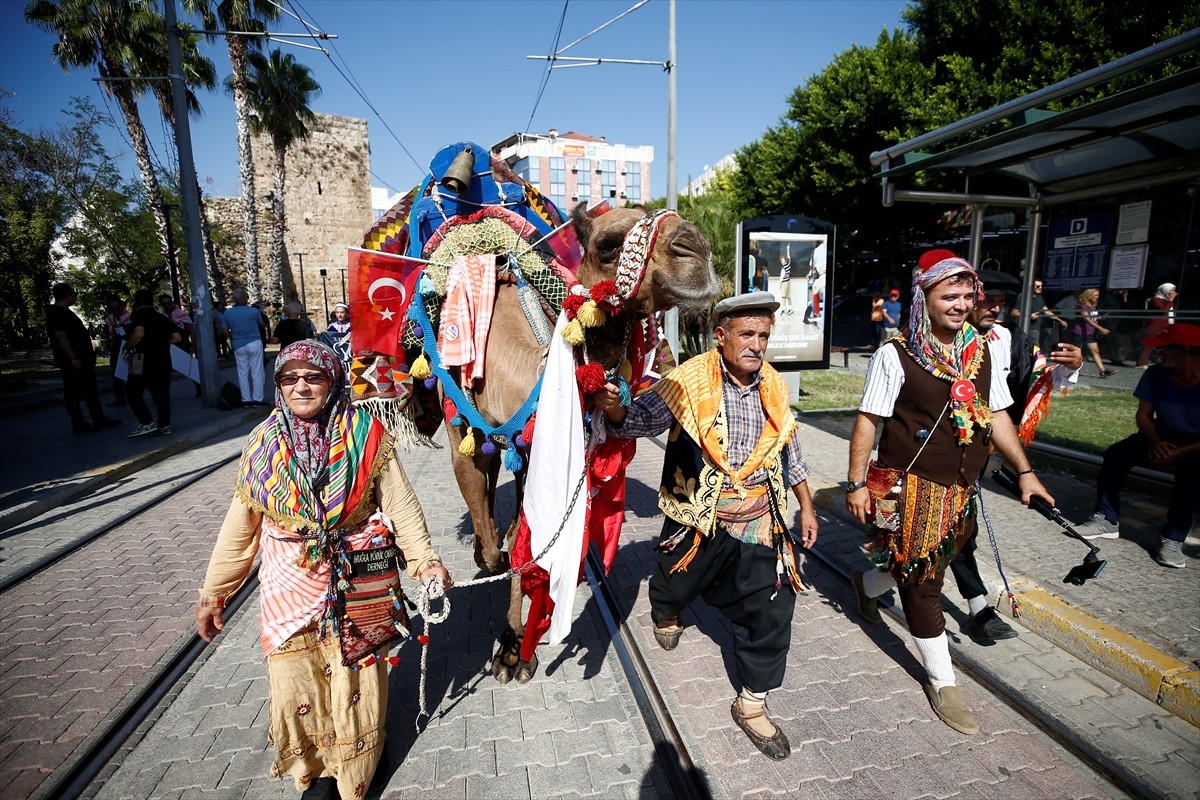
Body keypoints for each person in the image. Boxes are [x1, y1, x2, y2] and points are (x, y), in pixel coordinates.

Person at [196, 340, 452, 800]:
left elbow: (399, 503)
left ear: (332, 381)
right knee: (296, 676)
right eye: (289, 378)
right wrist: (214, 592)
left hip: (359, 573)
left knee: (355, 672)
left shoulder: (367, 434)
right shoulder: (261, 444)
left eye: (313, 376)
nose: (301, 386)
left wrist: (424, 559)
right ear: (278, 386)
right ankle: (314, 768)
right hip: (287, 582)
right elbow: (240, 526)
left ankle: (356, 767)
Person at [593, 291, 819, 760]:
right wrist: (614, 407)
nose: (757, 345)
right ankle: (667, 610)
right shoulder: (689, 380)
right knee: (676, 583)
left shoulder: (774, 386)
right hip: (697, 518)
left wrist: (807, 505)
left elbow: (789, 450)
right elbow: (636, 421)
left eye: (764, 335)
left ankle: (752, 702)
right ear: (721, 336)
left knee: (773, 608)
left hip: (760, 520)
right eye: (747, 334)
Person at [845, 250, 1053, 736]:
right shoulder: (894, 353)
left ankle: (869, 585)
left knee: (951, 548)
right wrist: (856, 483)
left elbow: (998, 414)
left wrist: (1025, 471)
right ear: (925, 298)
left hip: (962, 484)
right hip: (911, 485)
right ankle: (942, 681)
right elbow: (868, 421)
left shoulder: (983, 350)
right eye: (949, 295)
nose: (960, 304)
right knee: (924, 580)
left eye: (966, 295)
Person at [951, 269, 1082, 642]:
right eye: (988, 300)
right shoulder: (941, 341)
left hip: (980, 450)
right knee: (954, 531)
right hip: (937, 449)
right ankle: (977, 606)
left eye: (1002, 303)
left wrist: (1070, 367)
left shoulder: (1008, 338)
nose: (995, 308)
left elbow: (1036, 377)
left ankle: (874, 582)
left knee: (956, 529)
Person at [1074, 323, 1199, 569]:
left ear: (1184, 351)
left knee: (1194, 471)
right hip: (1160, 434)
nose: (1158, 353)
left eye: (1163, 348)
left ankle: (1173, 537)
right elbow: (1144, 415)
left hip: (1195, 444)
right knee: (1117, 453)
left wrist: (1179, 452)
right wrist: (1157, 443)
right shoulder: (1156, 374)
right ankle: (1107, 518)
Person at [46, 283, 121, 433]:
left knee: (90, 389)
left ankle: (98, 417)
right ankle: (79, 423)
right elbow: (60, 336)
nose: (75, 296)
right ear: (67, 295)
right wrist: (73, 357)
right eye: (74, 293)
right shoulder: (56, 312)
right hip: (73, 359)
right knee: (73, 391)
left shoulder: (65, 312)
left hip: (82, 357)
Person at [125, 288, 181, 437]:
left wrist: (128, 346)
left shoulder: (137, 315)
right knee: (162, 393)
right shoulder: (162, 317)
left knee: (133, 391)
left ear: (137, 302)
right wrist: (161, 343)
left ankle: (145, 422)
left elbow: (138, 334)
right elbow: (177, 337)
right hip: (163, 359)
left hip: (143, 359)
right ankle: (164, 425)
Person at [225, 288, 268, 406]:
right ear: (245, 298)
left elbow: (224, 330)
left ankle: (246, 399)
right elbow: (261, 325)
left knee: (242, 372)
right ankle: (258, 399)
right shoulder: (253, 311)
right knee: (257, 371)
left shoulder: (227, 313)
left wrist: (233, 336)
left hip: (238, 343)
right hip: (254, 341)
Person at [1011, 278, 1068, 350]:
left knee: (1032, 349)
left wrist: (1059, 320)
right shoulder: (1024, 297)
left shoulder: (1039, 298)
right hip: (1026, 329)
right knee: (1033, 349)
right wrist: (1029, 316)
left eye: (1041, 286)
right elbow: (1014, 313)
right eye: (1037, 286)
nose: (1040, 288)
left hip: (1035, 329)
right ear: (1031, 287)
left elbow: (1046, 311)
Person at [1072, 288, 1115, 378]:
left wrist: (1099, 318)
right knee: (1077, 352)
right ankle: (1071, 370)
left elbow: (1093, 317)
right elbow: (1087, 319)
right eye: (1095, 295)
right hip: (1080, 331)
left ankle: (1102, 371)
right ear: (1088, 295)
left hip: (1089, 332)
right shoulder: (1083, 306)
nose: (1097, 297)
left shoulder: (1093, 305)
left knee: (1095, 351)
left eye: (1098, 295)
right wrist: (1100, 328)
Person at [1137, 283, 1178, 368]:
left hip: (1162, 326)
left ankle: (1159, 360)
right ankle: (1141, 363)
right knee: (1149, 345)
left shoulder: (1164, 301)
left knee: (1163, 345)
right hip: (1154, 326)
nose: (1173, 293)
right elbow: (1163, 310)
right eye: (1171, 290)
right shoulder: (1156, 299)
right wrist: (1170, 300)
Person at [104, 297, 131, 407]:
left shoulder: (130, 318)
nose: (115, 311)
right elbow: (107, 335)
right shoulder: (109, 320)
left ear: (123, 307)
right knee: (116, 374)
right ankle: (120, 398)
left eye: (117, 308)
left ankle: (135, 395)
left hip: (129, 347)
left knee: (134, 373)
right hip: (116, 349)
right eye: (112, 309)